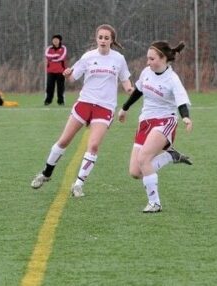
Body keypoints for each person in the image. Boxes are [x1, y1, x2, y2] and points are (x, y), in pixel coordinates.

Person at [31, 24, 133, 197]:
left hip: (105, 107)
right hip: (84, 103)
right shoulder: (88, 57)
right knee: (64, 141)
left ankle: (78, 185)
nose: (103, 40)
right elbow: (72, 78)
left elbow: (125, 80)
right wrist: (67, 74)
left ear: (112, 41)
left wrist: (130, 90)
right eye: (100, 37)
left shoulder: (118, 59)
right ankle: (46, 173)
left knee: (93, 146)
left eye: (106, 38)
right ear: (96, 39)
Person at [118, 40, 193, 213]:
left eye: (152, 59)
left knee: (144, 158)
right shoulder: (146, 72)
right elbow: (138, 90)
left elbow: (181, 102)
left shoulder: (172, 79)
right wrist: (124, 108)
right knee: (135, 172)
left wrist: (186, 118)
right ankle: (169, 157)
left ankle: (155, 203)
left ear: (163, 58)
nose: (148, 62)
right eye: (148, 58)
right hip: (145, 122)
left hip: (165, 121)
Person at [44, 34, 67, 106]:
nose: (55, 41)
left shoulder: (63, 48)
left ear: (60, 41)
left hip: (60, 71)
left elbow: (62, 57)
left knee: (60, 87)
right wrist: (56, 56)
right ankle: (48, 100)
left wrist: (53, 58)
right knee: (49, 86)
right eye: (54, 40)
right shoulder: (49, 48)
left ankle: (61, 101)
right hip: (50, 71)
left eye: (57, 40)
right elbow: (47, 56)